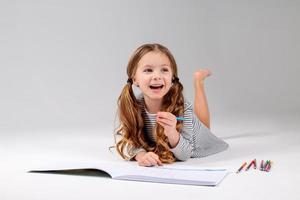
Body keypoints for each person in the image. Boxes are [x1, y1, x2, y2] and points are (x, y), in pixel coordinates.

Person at [115, 43, 228, 167]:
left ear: (172, 78)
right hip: (186, 129)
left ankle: (198, 81)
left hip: (199, 140)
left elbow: (185, 154)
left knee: (204, 128)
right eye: (148, 70)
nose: (157, 76)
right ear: (135, 78)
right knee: (199, 124)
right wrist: (141, 155)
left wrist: (172, 133)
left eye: (164, 70)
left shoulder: (182, 107)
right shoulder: (134, 105)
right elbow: (126, 141)